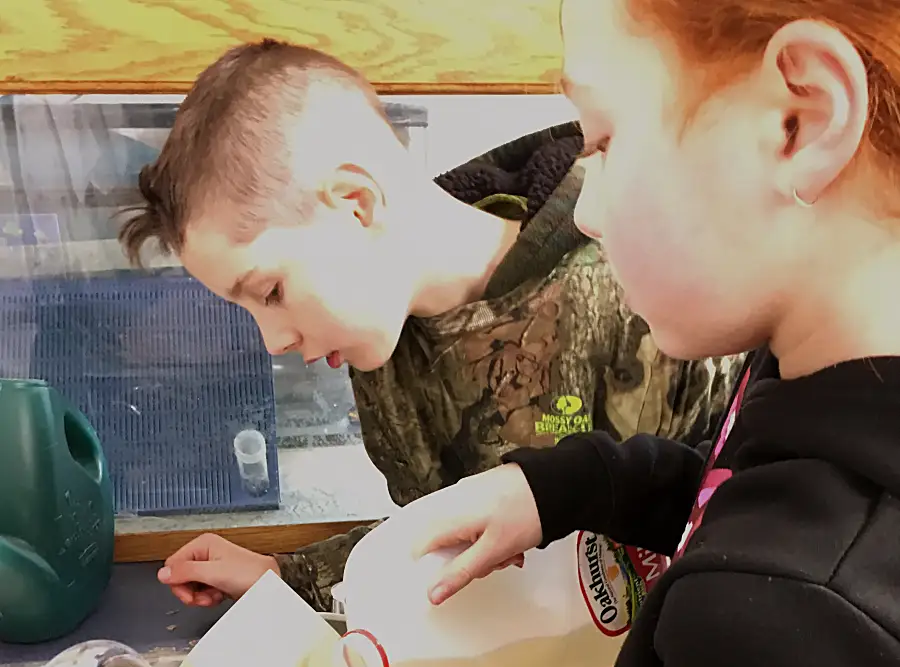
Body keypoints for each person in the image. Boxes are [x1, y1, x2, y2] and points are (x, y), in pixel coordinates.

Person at [398, 0, 900, 667]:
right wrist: (554, 491)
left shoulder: (785, 622)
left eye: (604, 137)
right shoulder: (830, 388)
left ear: (801, 118)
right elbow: (734, 483)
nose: (583, 206)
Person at [116, 40, 744, 612]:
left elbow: (733, 523)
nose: (274, 340)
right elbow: (453, 538)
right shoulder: (382, 344)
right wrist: (290, 575)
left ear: (356, 204)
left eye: (271, 291)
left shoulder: (636, 278)